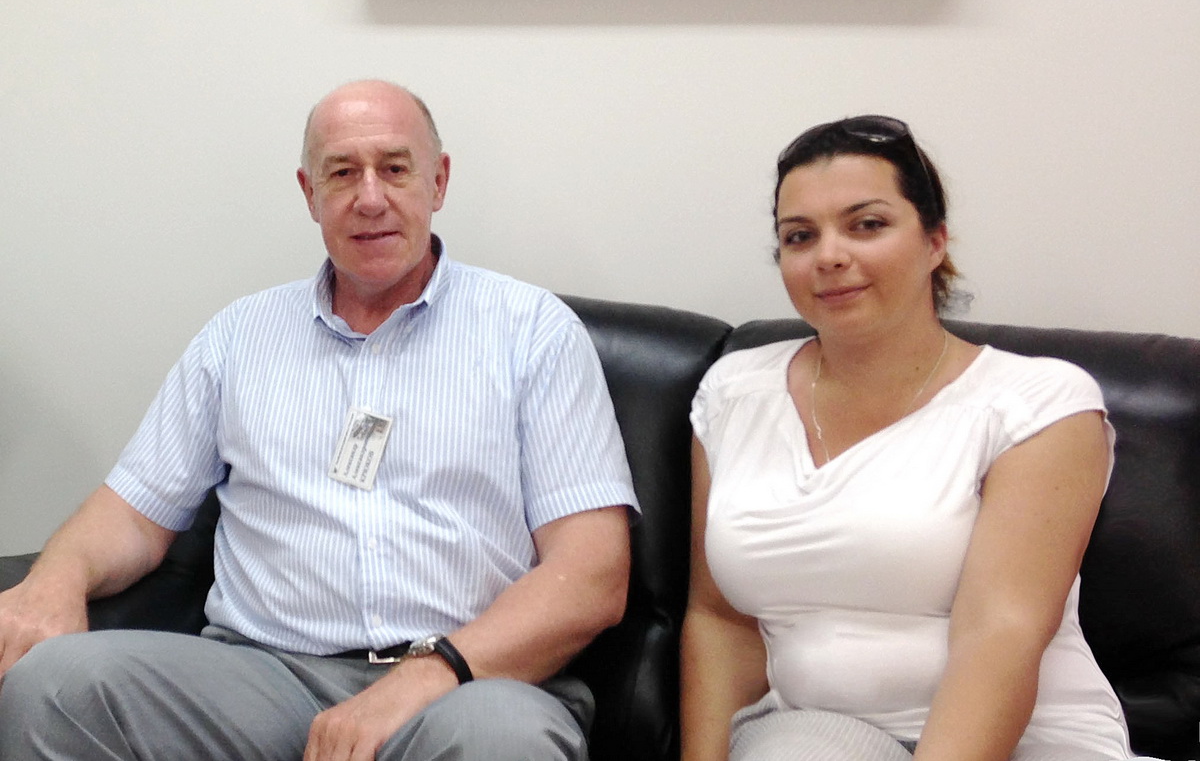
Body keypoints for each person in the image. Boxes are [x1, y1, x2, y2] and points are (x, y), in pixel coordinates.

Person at [0, 79, 639, 761]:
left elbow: (592, 573)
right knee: (53, 684)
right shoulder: (237, 337)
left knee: (506, 740)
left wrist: (428, 672)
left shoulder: (534, 333)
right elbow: (132, 513)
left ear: (439, 181)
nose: (370, 197)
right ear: (309, 193)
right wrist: (55, 580)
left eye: (395, 168)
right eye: (342, 173)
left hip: (465, 683)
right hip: (261, 677)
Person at [680, 115, 1145, 760]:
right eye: (800, 236)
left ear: (934, 242)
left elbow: (1000, 635)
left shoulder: (1038, 403)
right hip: (820, 734)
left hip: (1028, 739)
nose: (829, 255)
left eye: (867, 224)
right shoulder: (734, 394)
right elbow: (720, 620)